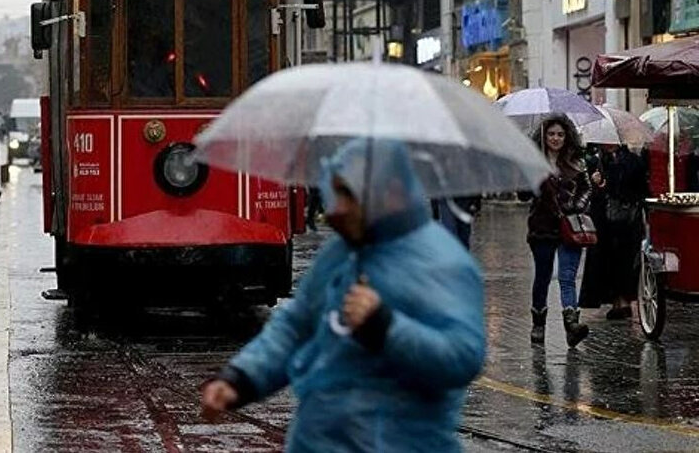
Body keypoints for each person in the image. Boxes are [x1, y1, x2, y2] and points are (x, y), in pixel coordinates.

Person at [201, 139, 485, 452]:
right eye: (334, 192)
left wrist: (386, 327)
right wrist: (240, 379)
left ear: (389, 193)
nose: (336, 209)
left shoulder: (442, 262)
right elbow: (296, 326)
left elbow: (462, 356)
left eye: (347, 193)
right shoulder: (340, 253)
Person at [525, 114, 592, 348]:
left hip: (570, 227)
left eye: (560, 134)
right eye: (551, 134)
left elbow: (586, 190)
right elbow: (524, 195)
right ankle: (538, 323)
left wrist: (574, 206)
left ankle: (572, 325)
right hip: (542, 227)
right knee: (542, 277)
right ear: (544, 136)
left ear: (567, 137)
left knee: (567, 277)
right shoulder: (534, 161)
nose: (556, 138)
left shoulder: (575, 161)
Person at [580, 144, 648, 319]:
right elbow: (588, 192)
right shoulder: (595, 161)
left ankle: (623, 300)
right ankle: (613, 300)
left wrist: (608, 181)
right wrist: (596, 183)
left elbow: (638, 189)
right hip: (603, 221)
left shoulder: (633, 161)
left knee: (625, 259)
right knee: (606, 259)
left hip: (626, 220)